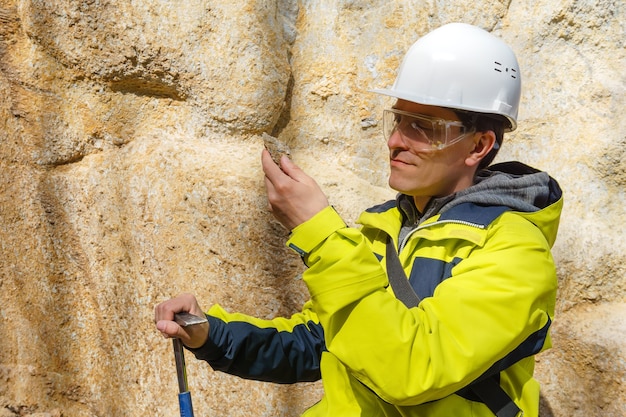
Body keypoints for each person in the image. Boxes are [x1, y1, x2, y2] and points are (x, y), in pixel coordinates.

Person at [154, 22, 563, 417]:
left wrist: (319, 233)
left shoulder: (516, 251)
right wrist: (211, 333)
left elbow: (412, 369)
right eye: (398, 120)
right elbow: (321, 340)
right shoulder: (385, 229)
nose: (396, 140)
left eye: (422, 126)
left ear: (479, 145)